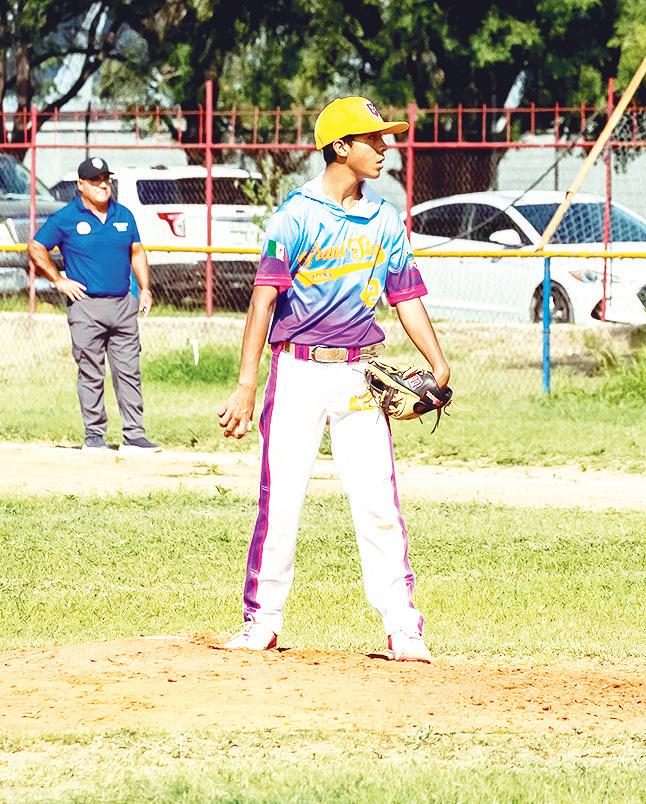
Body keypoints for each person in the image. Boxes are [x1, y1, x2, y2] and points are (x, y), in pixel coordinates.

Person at [217, 97, 450, 662]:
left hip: (359, 374)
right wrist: (247, 383)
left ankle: (402, 628)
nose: (385, 147)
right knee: (282, 500)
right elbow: (263, 301)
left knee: (378, 503)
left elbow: (405, 296)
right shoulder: (296, 216)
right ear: (340, 147)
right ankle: (262, 622)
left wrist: (438, 361)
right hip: (296, 370)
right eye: (374, 139)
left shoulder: (386, 219)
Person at [28, 157, 159, 453]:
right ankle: (94, 435)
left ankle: (134, 435)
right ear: (81, 185)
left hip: (122, 304)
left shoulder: (123, 215)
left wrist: (145, 289)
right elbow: (35, 247)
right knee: (91, 372)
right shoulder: (66, 217)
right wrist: (58, 280)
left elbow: (137, 252)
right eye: (95, 180)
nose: (102, 185)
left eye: (105, 179)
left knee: (129, 371)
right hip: (86, 306)